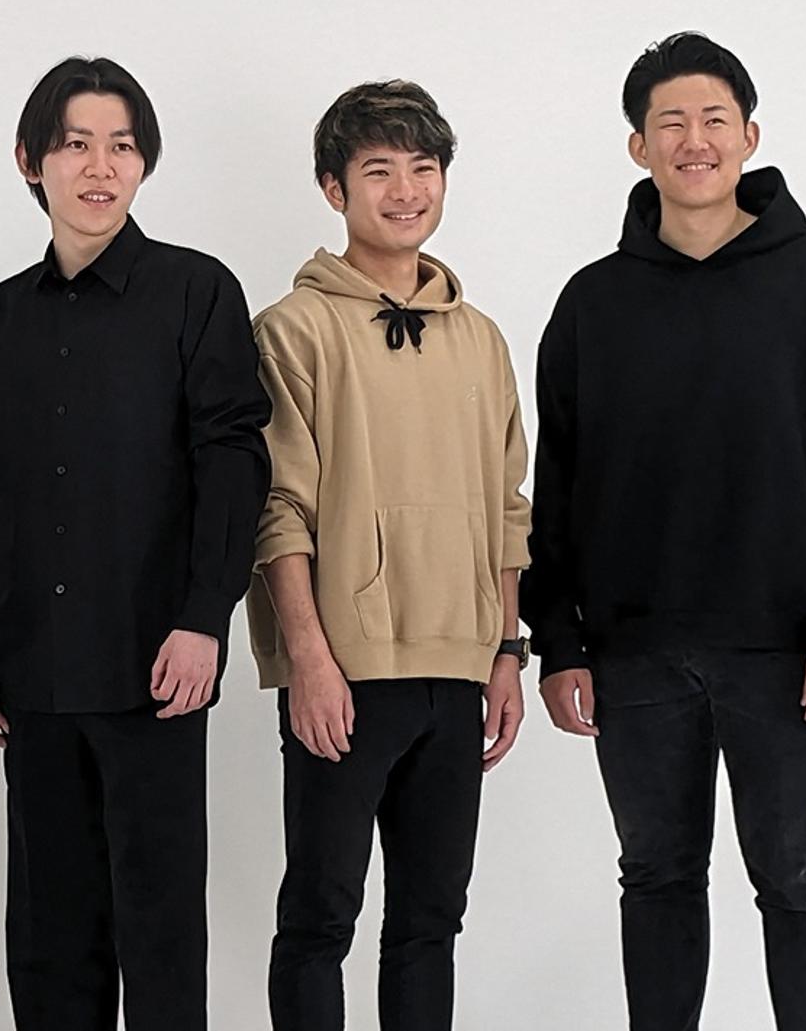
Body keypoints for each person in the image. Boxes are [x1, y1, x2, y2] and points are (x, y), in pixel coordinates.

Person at [524, 32, 806, 1031]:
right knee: (655, 877)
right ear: (637, 146)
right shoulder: (592, 302)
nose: (693, 141)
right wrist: (559, 641)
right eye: (670, 123)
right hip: (633, 653)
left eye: (712, 120)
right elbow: (556, 485)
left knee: (800, 880)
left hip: (788, 651)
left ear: (749, 135)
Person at [0, 56, 271, 1031]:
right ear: (30, 159)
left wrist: (203, 618)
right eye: (76, 144)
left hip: (156, 669)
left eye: (122, 146)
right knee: (50, 941)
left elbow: (234, 464)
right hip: (31, 679)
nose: (101, 167)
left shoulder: (195, 291)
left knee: (161, 934)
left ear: (144, 163)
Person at [249, 80, 533, 1030]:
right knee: (319, 917)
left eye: (423, 167)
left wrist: (505, 651)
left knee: (430, 922)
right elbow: (278, 507)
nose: (405, 190)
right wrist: (308, 659)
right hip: (346, 672)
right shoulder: (292, 329)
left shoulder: (481, 339)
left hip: (459, 669)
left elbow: (508, 509)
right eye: (378, 170)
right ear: (335, 188)